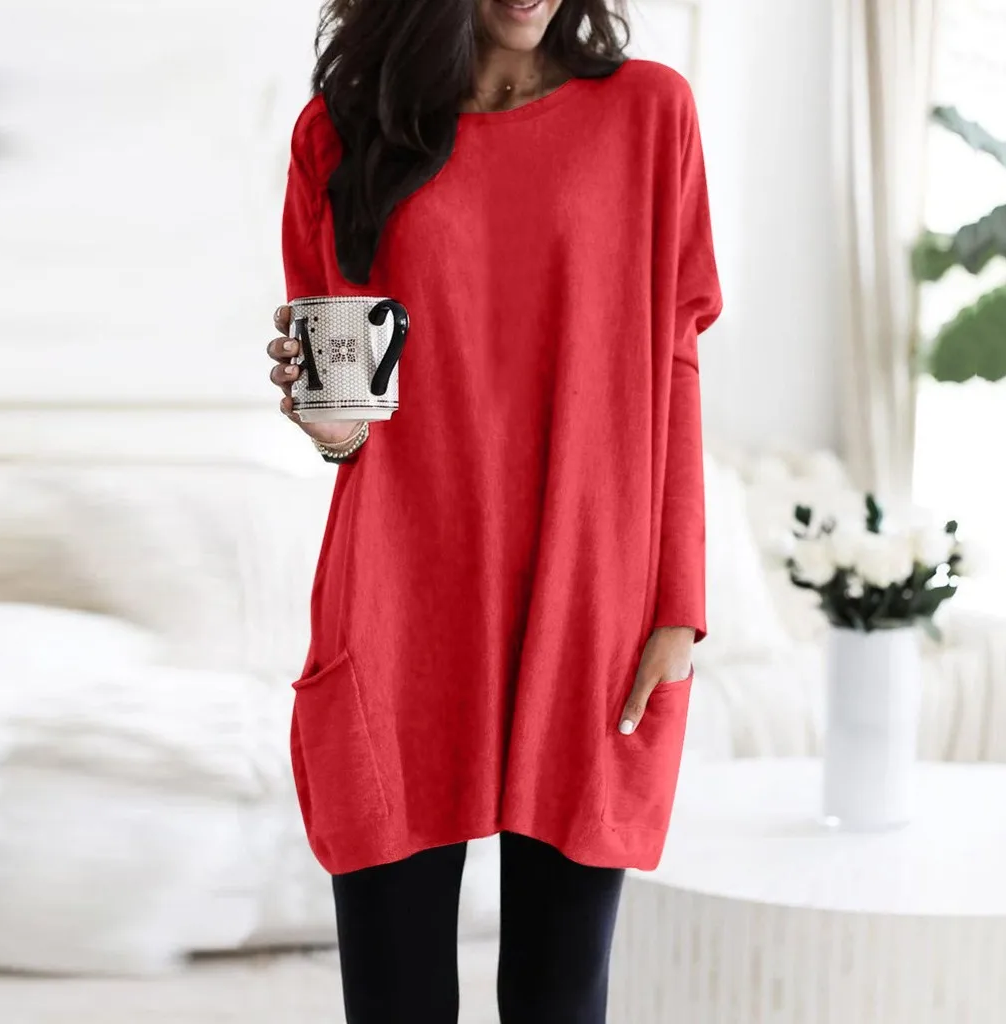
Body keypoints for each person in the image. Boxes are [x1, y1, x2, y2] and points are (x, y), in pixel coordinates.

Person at [265, 0, 722, 1020]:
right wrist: (323, 420)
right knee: (396, 999)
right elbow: (349, 415)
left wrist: (678, 606)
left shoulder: (651, 114)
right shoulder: (342, 131)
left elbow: (675, 364)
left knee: (559, 999)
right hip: (400, 600)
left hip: (588, 598)